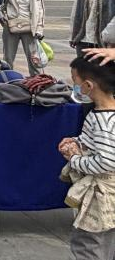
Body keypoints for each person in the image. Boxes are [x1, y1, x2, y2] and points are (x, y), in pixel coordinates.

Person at [59, 56, 115, 259]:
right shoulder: (103, 114)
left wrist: (74, 159)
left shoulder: (103, 119)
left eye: (75, 80)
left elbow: (107, 160)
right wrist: (77, 141)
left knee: (89, 245)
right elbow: (99, 141)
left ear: (89, 85)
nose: (73, 85)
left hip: (101, 195)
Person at [1, 0, 46, 76]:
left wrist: (39, 29)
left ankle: (36, 80)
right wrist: (3, 17)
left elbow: (40, 10)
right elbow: (0, 2)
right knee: (8, 57)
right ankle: (7, 79)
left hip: (30, 27)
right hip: (11, 25)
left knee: (33, 58)